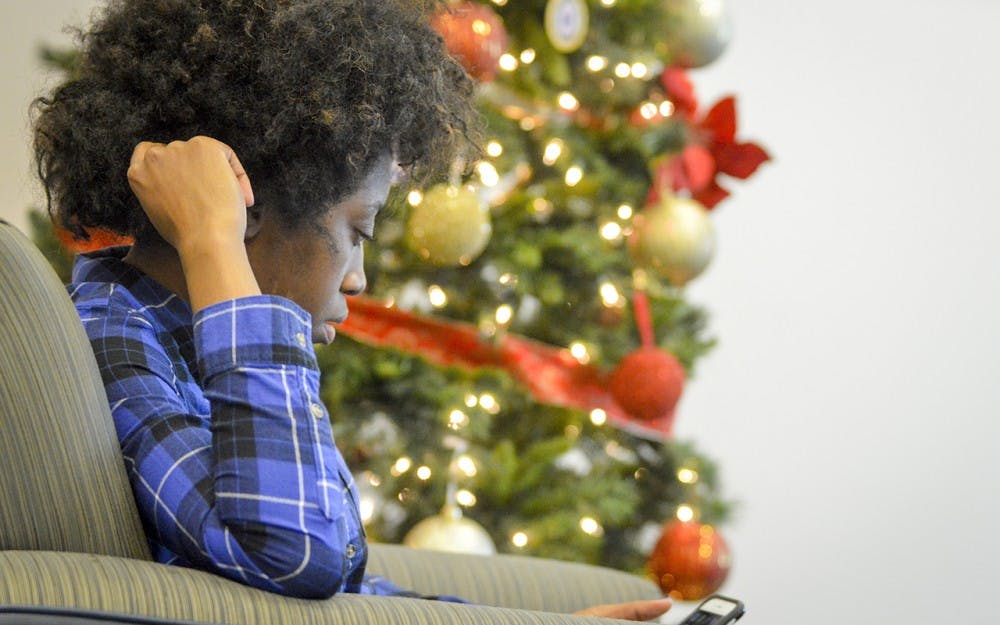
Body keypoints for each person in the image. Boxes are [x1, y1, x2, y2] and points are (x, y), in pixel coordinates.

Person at [33, 0, 671, 620]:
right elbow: (296, 552)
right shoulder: (118, 345)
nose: (360, 278)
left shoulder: (184, 340)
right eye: (358, 232)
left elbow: (346, 582)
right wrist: (211, 243)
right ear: (242, 211)